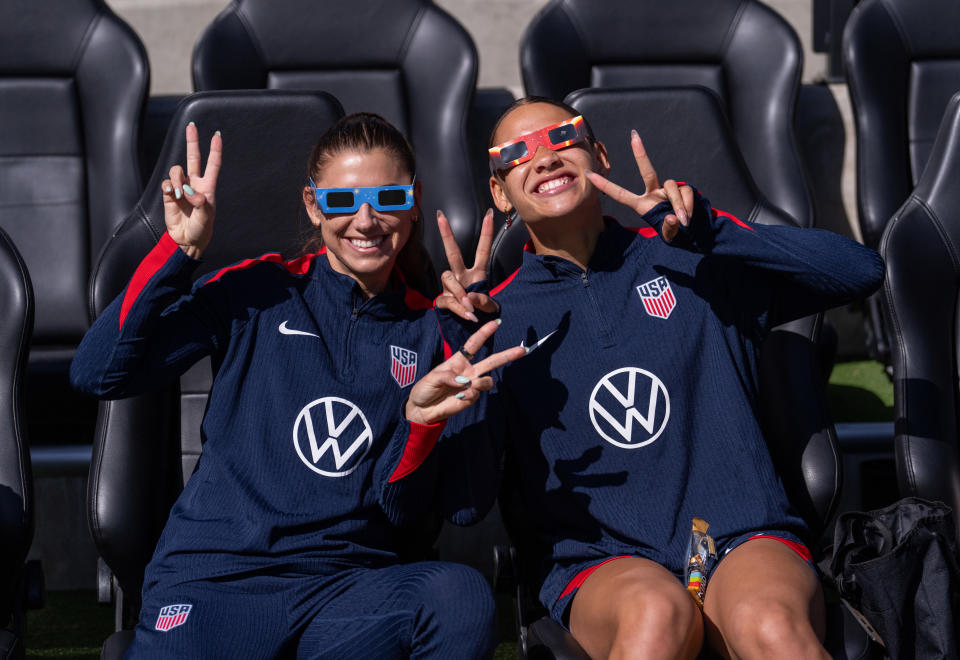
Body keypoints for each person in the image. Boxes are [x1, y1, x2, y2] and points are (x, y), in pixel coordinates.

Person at [435, 97, 885, 659]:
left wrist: (715, 233)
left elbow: (862, 272)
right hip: (604, 560)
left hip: (738, 538)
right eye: (518, 152)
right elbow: (463, 507)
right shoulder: (491, 320)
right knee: (656, 615)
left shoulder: (692, 256)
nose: (544, 158)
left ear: (598, 155)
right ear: (500, 192)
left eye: (562, 138)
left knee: (770, 625)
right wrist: (461, 349)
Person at [70, 113, 524, 659]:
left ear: (414, 199)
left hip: (344, 589)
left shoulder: (433, 326)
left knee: (458, 596)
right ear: (313, 205)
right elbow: (97, 372)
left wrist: (429, 413)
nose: (366, 220)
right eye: (340, 202)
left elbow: (458, 510)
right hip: (217, 580)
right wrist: (178, 252)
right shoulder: (259, 289)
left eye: (388, 197)